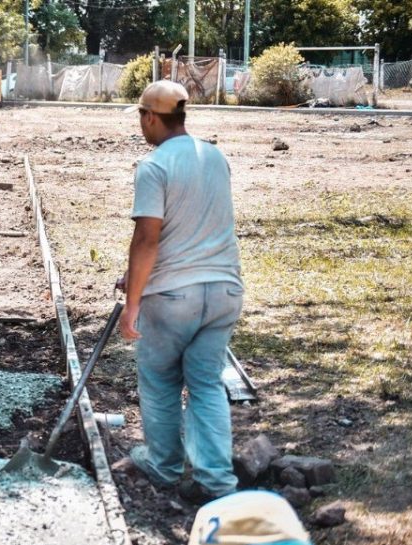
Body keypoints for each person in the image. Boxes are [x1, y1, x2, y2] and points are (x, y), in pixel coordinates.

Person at [116, 80, 244, 504]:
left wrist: (132, 303)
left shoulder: (153, 166)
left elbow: (147, 239)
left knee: (160, 381)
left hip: (173, 299)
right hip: (224, 291)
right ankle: (216, 479)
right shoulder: (215, 156)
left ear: (150, 117)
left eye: (141, 117)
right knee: (207, 384)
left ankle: (165, 466)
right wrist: (136, 277)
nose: (141, 125)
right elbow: (195, 227)